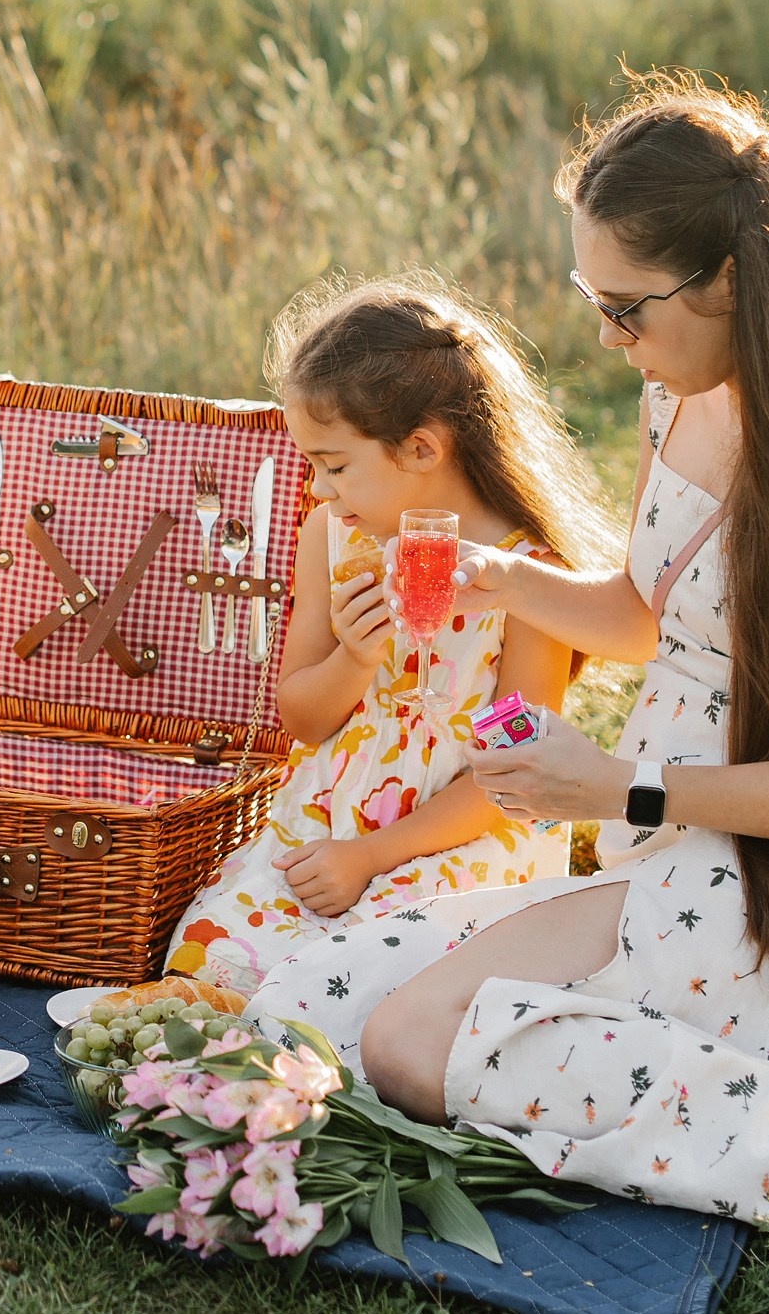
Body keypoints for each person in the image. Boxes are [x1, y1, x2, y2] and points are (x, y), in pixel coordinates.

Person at [247, 77, 769, 1300]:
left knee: (412, 1045)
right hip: (655, 853)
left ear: (728, 281)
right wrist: (502, 579)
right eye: (589, 298)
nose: (607, 338)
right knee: (325, 1006)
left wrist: (620, 787)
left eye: (624, 307)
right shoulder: (678, 393)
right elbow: (644, 614)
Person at [164, 278, 620, 994]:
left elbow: (512, 774)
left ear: (420, 449)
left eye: (335, 465)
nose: (317, 489)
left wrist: (371, 857)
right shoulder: (333, 538)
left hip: (460, 842)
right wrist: (354, 657)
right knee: (208, 953)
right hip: (327, 825)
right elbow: (302, 718)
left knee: (367, 980)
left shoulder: (526, 579)